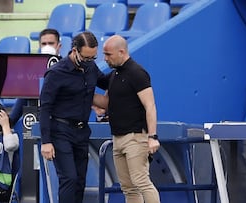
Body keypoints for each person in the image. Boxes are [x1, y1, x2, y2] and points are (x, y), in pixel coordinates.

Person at [39, 31, 109, 203]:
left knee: (80, 180)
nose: (89, 62)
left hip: (82, 130)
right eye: (86, 57)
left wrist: (124, 72)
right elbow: (45, 107)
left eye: (93, 58)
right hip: (60, 130)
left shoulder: (91, 67)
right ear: (74, 50)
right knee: (68, 178)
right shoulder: (56, 73)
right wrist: (46, 141)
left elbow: (106, 82)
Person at [95, 35, 161, 203]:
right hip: (118, 137)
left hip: (135, 137)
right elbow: (105, 102)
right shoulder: (115, 74)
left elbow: (150, 105)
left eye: (108, 54)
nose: (105, 59)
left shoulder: (137, 73)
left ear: (121, 52)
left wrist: (152, 137)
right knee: (128, 187)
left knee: (142, 182)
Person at [9, 28, 62, 126]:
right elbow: (23, 98)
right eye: (44, 44)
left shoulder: (67, 67)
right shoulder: (31, 70)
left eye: (51, 43)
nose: (47, 47)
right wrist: (10, 121)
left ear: (59, 46)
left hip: (60, 123)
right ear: (39, 46)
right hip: (33, 120)